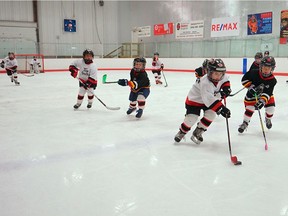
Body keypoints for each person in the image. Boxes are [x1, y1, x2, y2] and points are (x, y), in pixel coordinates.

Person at [174, 59, 231, 144]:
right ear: (209, 72)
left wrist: (226, 89)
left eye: (220, 74)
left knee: (211, 115)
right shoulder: (205, 82)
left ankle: (198, 131)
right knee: (191, 119)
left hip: (208, 100)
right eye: (216, 74)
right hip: (195, 101)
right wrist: (221, 108)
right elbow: (209, 99)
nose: (218, 76)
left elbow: (225, 81)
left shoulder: (222, 76)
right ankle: (182, 131)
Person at [238, 56, 277, 133]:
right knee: (250, 109)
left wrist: (262, 101)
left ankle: (268, 118)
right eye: (264, 67)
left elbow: (268, 92)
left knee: (271, 109)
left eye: (268, 68)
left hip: (265, 95)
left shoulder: (272, 80)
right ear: (261, 67)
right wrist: (250, 87)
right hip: (252, 95)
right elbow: (244, 80)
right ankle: (245, 122)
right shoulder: (253, 72)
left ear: (272, 69)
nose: (266, 70)